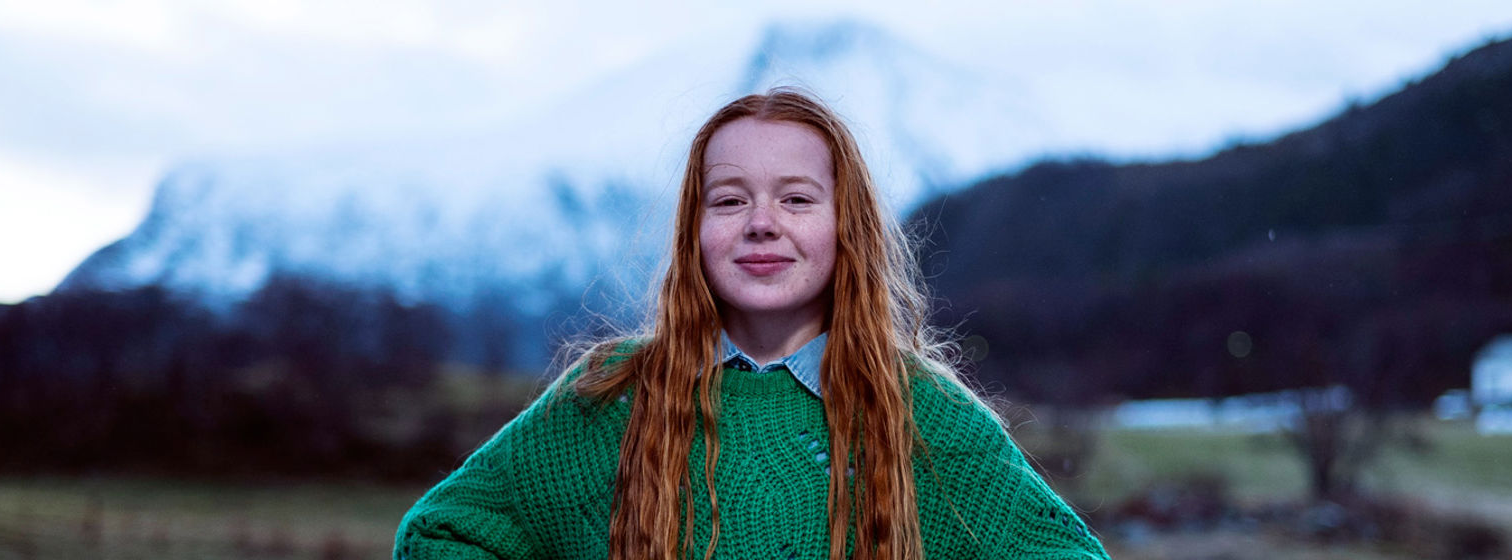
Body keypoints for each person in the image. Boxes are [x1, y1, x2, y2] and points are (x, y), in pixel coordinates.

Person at [393, 88, 1108, 560]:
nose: (762, 223)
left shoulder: (924, 416)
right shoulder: (611, 400)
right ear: (693, 231)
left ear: (846, 227)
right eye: (730, 201)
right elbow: (441, 534)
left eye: (797, 199)